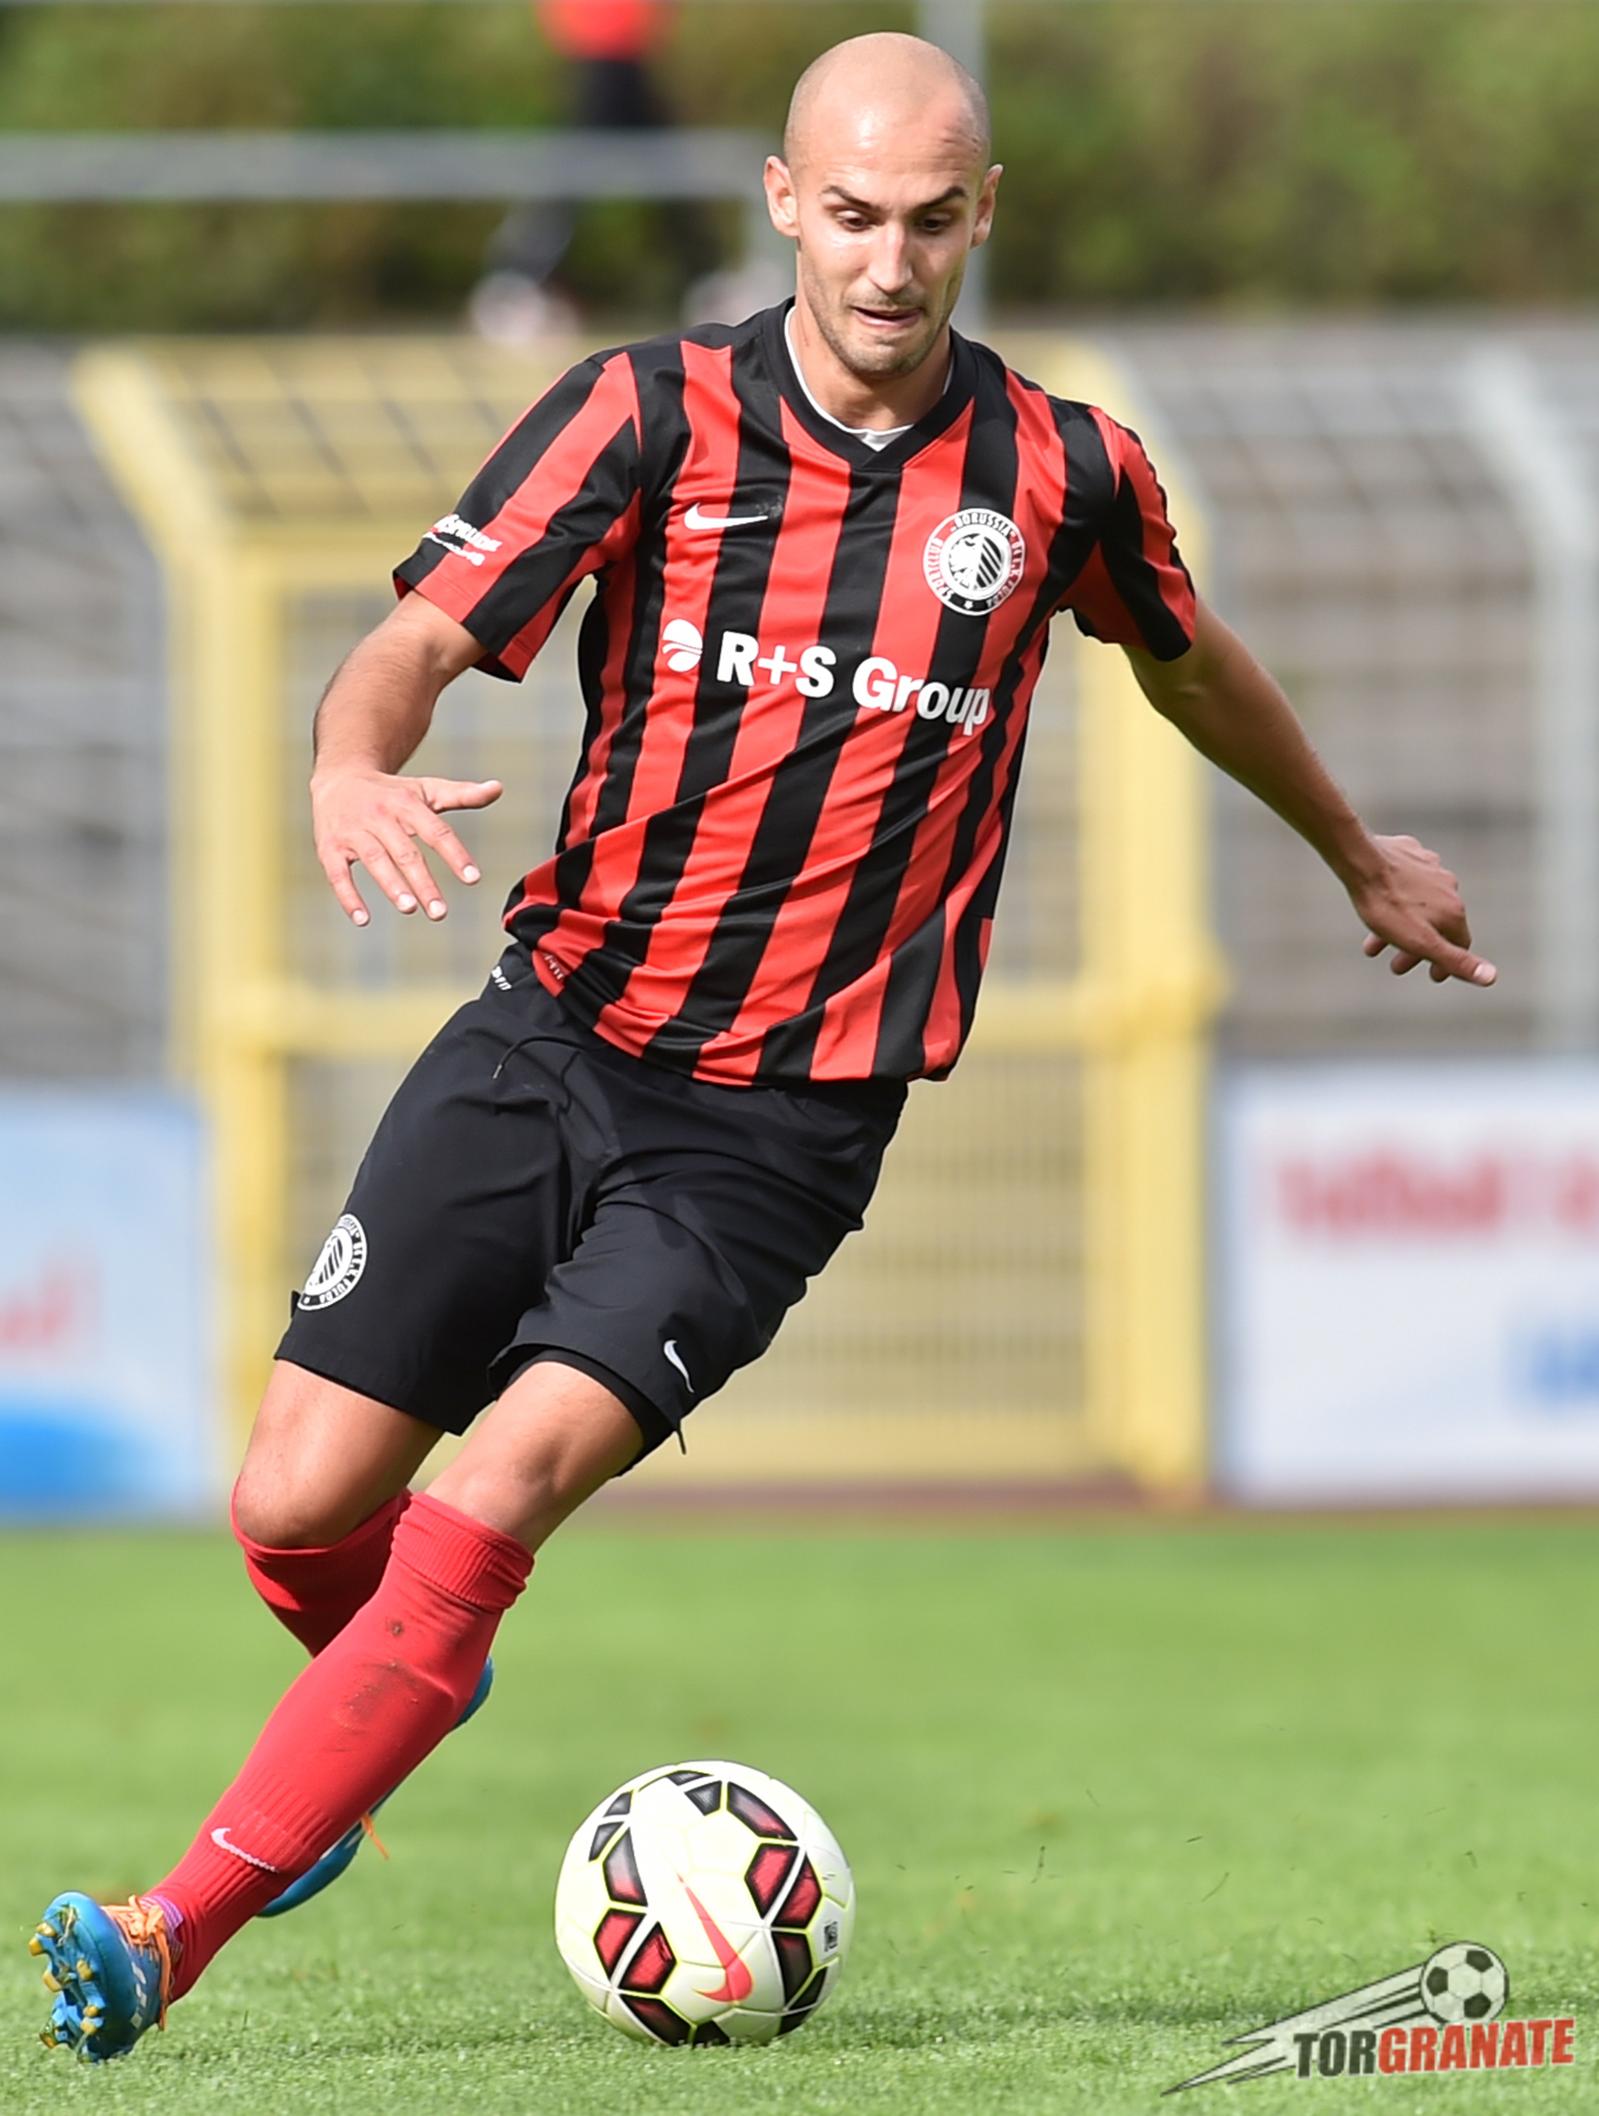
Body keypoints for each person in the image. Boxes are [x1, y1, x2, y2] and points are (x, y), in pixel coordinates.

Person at [30, 31, 1494, 2062]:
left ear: (982, 216)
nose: (890, 264)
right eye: (854, 217)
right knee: (294, 1505)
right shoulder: (642, 413)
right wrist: (350, 763)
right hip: (550, 1030)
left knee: (495, 1493)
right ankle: (365, 1724)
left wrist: (1353, 848)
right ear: (785, 205)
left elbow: (1186, 662)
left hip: (774, 1133)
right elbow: (416, 637)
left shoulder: (1064, 472)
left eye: (932, 222)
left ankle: (167, 1925)